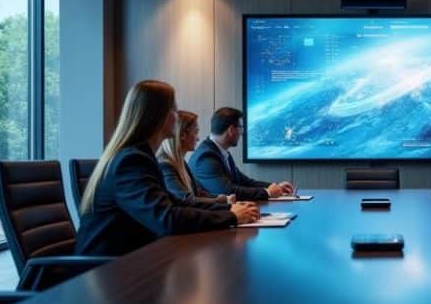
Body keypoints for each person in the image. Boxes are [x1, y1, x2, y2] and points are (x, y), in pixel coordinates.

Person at [76, 80, 260, 256]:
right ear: (157, 116)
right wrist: (231, 217)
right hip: (106, 272)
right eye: (173, 109)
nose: (176, 116)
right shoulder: (131, 161)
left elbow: (177, 204)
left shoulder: (141, 157)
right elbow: (167, 218)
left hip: (131, 260)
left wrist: (229, 210)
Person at [189, 107, 294, 201]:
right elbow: (227, 191)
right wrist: (268, 192)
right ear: (231, 130)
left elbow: (244, 181)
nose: (242, 132)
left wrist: (274, 186)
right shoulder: (206, 158)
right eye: (241, 127)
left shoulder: (222, 153)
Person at [157, 110, 236, 205]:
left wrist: (223, 199)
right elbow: (186, 199)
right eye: (196, 132)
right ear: (182, 135)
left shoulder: (180, 162)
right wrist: (224, 203)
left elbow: (196, 192)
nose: (198, 138)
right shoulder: (165, 165)